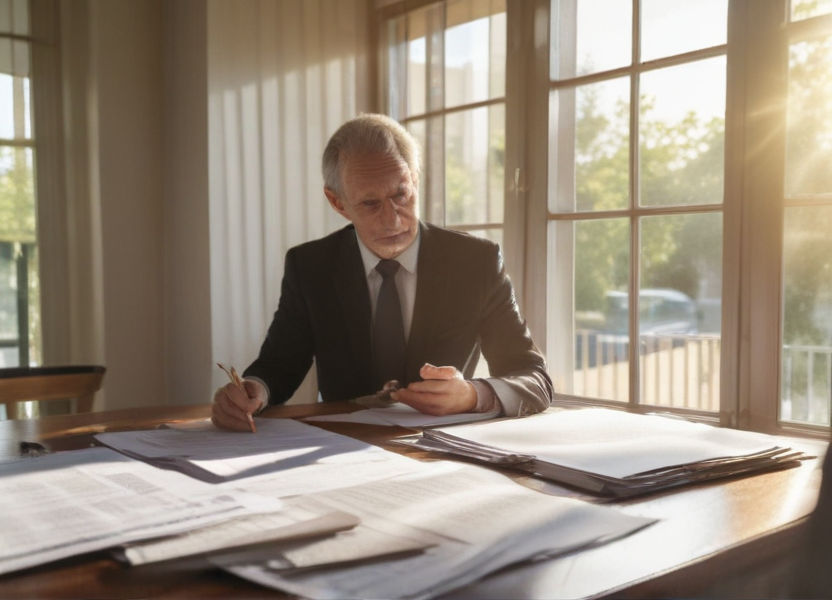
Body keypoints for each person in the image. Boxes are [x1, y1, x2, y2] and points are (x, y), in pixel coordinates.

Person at [212, 113, 553, 432]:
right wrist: (254, 391)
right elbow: (278, 366)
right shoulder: (310, 266)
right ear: (337, 202)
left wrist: (473, 395)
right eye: (370, 204)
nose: (392, 219)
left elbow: (534, 378)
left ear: (415, 181)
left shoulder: (475, 261)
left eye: (401, 194)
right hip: (343, 442)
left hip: (440, 449)